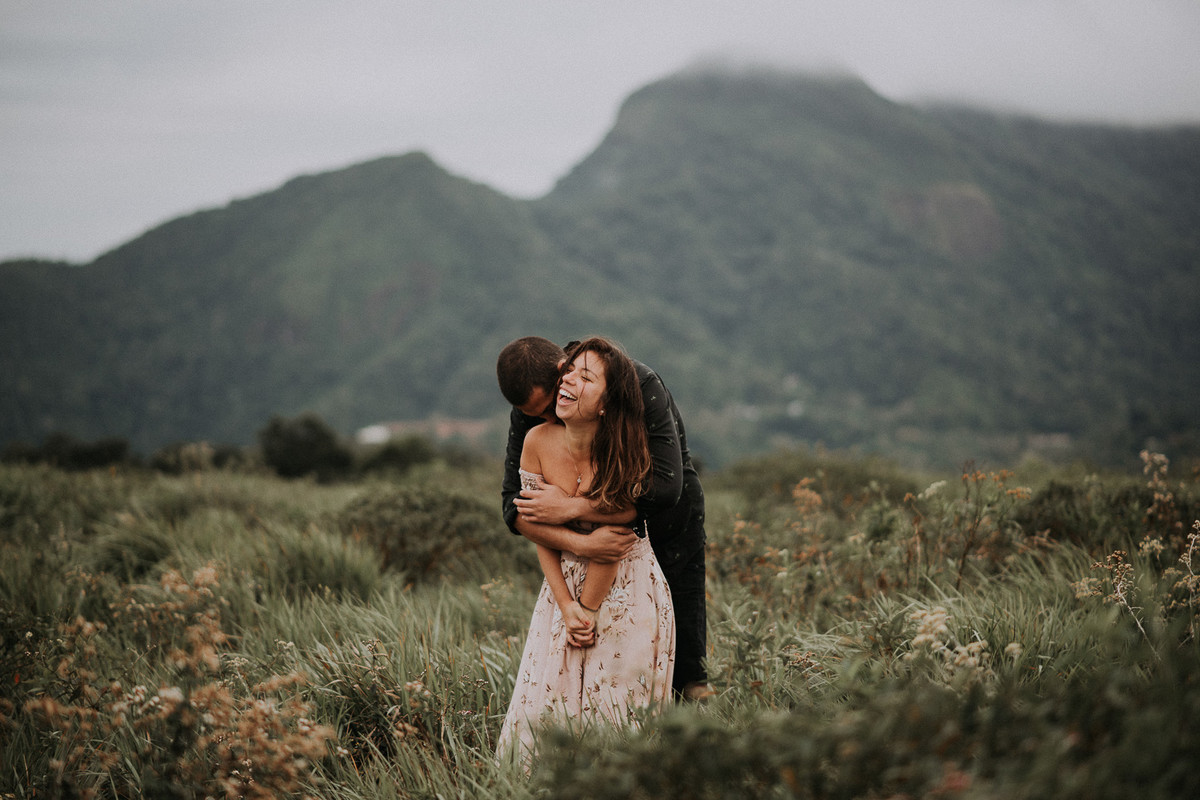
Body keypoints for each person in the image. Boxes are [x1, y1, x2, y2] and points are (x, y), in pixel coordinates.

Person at [497, 335, 711, 701]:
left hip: (670, 529)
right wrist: (582, 543)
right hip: (589, 555)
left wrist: (573, 507)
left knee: (685, 669)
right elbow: (513, 508)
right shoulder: (535, 417)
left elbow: (664, 488)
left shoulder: (638, 384)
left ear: (563, 372)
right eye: (536, 416)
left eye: (548, 407)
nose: (549, 419)